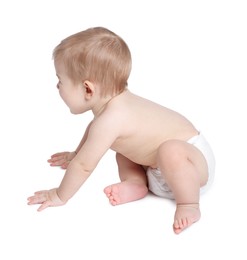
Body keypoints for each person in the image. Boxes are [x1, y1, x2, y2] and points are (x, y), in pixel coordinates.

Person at [27, 27, 215, 234]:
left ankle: (189, 204)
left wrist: (59, 195)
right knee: (122, 146)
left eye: (60, 81)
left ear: (88, 89)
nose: (57, 87)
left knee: (169, 150)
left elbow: (84, 166)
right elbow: (93, 132)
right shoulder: (110, 112)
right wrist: (75, 154)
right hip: (156, 168)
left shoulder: (112, 119)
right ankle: (136, 183)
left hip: (191, 168)